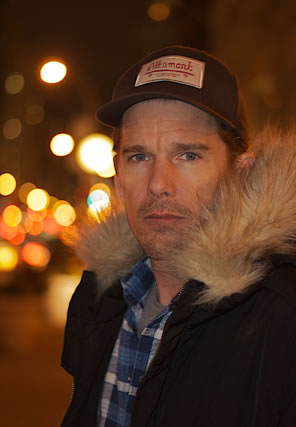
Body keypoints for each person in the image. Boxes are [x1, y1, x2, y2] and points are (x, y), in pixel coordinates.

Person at [61, 46, 296, 427]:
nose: (158, 185)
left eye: (188, 155)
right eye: (139, 156)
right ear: (118, 177)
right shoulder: (103, 299)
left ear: (240, 173)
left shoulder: (283, 315)